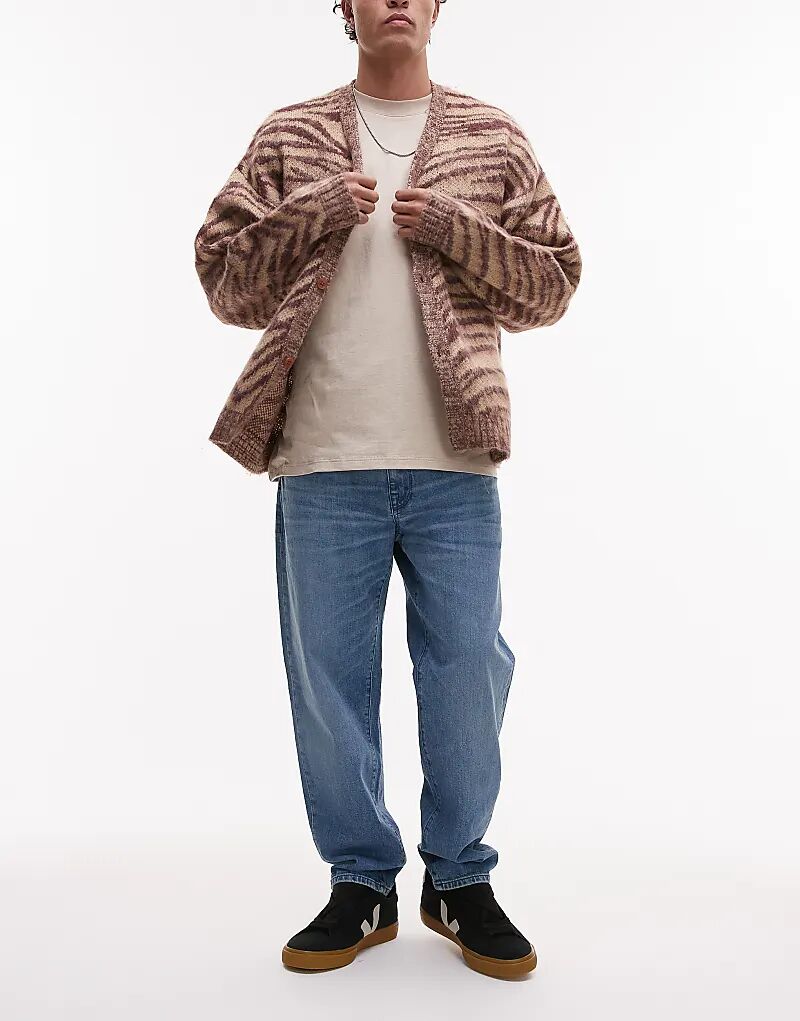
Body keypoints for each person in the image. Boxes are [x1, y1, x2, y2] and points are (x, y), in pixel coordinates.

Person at [194, 0, 581, 978]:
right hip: (323, 461)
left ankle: (458, 877)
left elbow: (553, 283)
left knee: (468, 672)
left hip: (455, 467)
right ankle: (361, 881)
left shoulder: (491, 136)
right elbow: (224, 279)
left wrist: (453, 227)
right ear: (346, 7)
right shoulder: (290, 136)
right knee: (329, 682)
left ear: (439, 5)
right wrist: (313, 211)